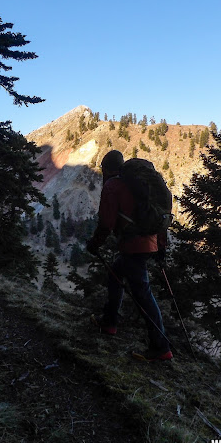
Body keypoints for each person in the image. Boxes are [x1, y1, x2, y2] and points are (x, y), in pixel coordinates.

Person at [86, 150, 173, 362]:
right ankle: (109, 322)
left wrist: (94, 244)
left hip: (133, 245)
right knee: (116, 272)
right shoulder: (141, 185)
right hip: (148, 241)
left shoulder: (113, 186)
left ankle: (161, 348)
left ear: (106, 169)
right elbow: (159, 219)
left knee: (143, 294)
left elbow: (106, 223)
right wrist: (161, 248)